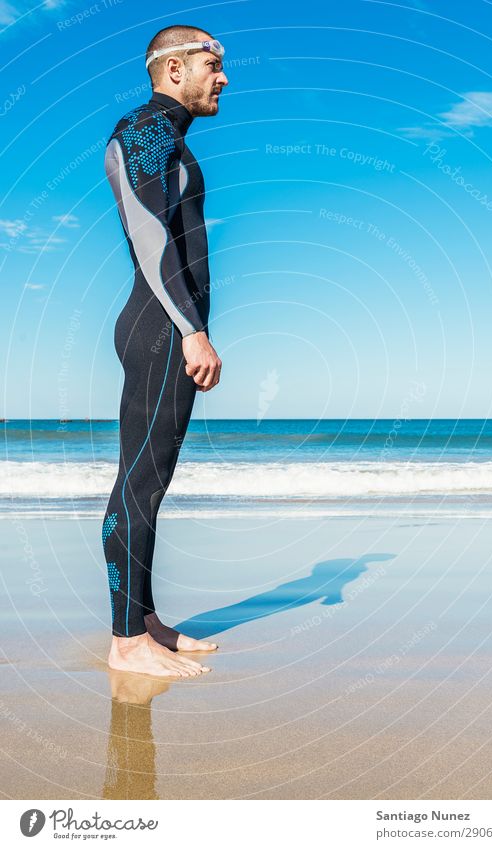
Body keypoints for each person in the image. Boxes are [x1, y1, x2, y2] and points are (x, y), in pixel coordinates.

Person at [102, 25, 228, 678]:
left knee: (150, 483)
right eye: (213, 63)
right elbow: (152, 236)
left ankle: (144, 618)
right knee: (139, 484)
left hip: (161, 324)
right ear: (173, 68)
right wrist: (191, 328)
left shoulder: (167, 137)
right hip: (158, 327)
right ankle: (126, 642)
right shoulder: (145, 130)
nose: (224, 78)